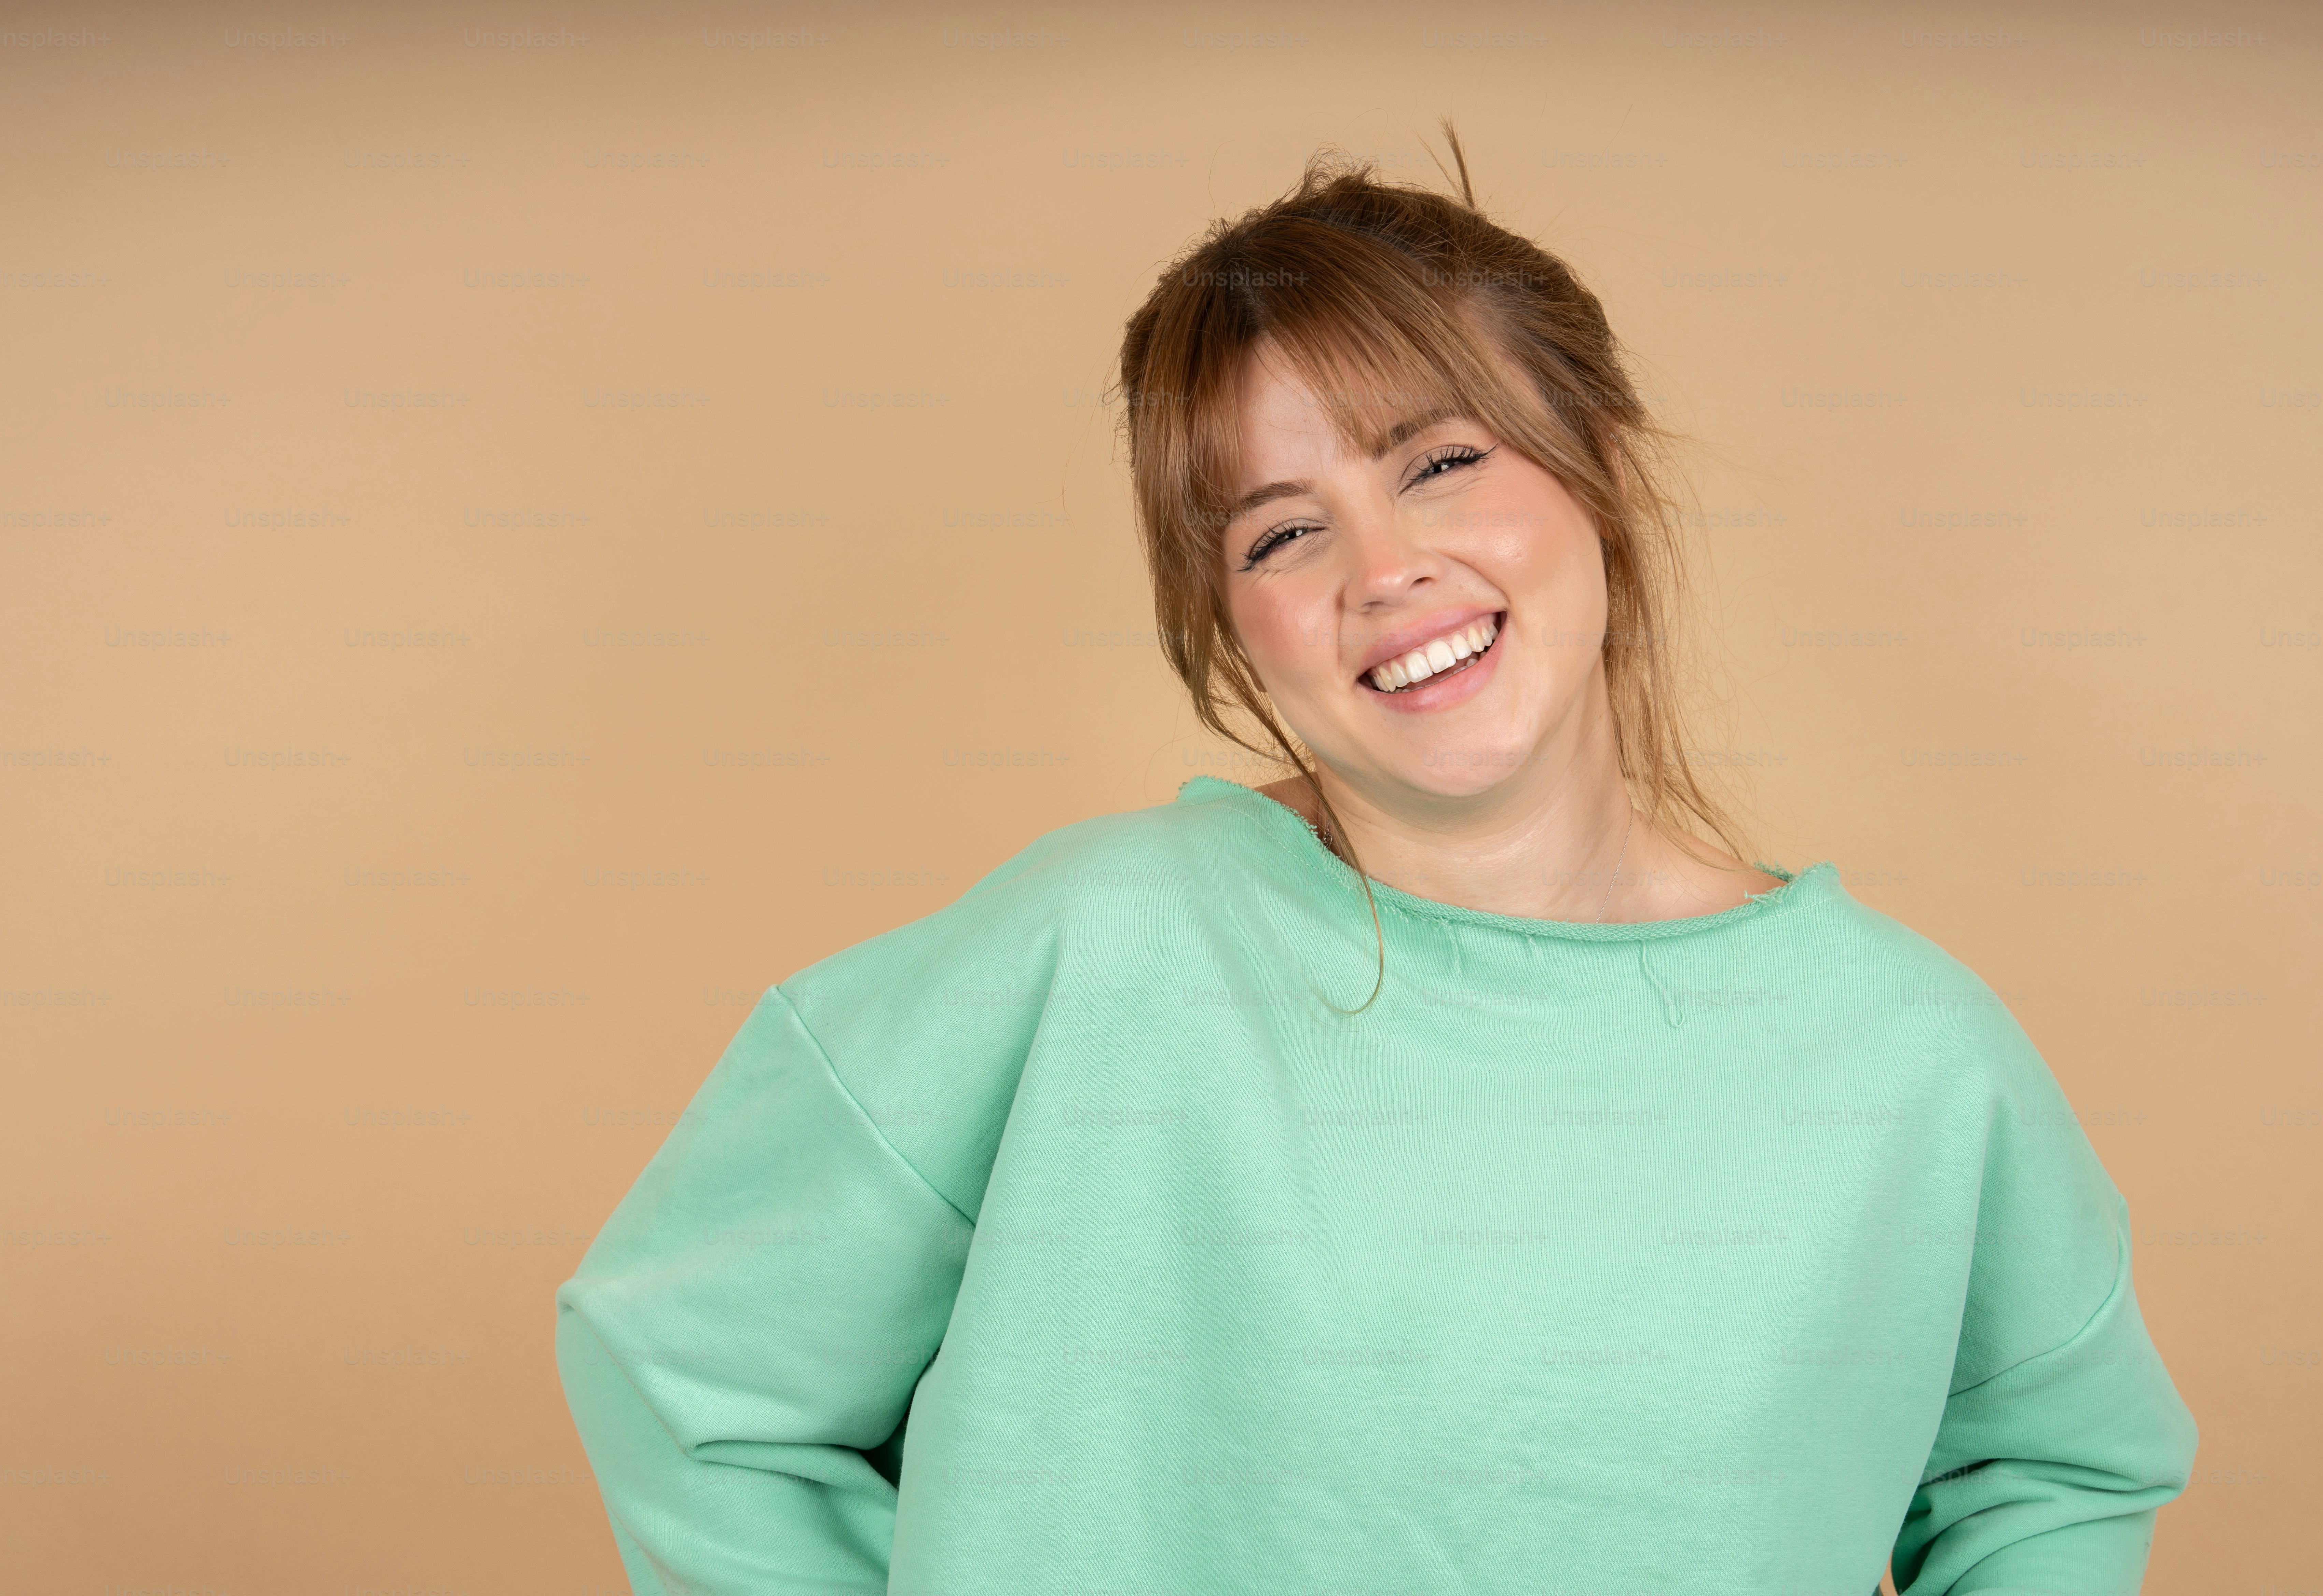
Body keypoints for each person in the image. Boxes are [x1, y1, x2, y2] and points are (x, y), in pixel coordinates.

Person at [555, 131, 2197, 1595]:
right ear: (1231, 628)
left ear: (1604, 465)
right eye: (1281, 531)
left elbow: (2054, 1467)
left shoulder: (1914, 1058)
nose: (1383, 567)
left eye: (1441, 460)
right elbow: (686, 1360)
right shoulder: (1094, 952)